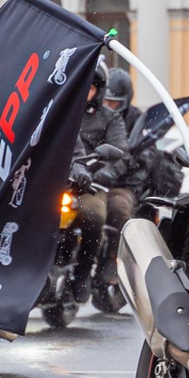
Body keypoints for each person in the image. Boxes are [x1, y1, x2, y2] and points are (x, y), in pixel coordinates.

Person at [75, 68, 139, 249]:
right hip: (60, 181)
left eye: (91, 89)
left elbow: (120, 151)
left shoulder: (112, 118)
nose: (111, 104)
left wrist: (105, 172)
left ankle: (86, 270)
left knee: (94, 215)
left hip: (92, 184)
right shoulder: (66, 112)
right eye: (84, 87)